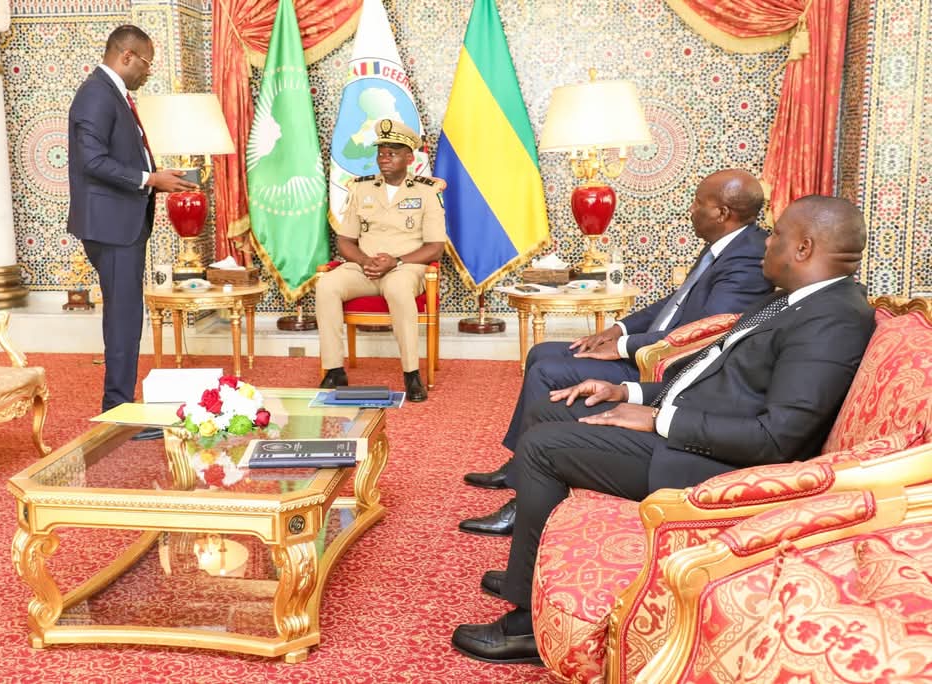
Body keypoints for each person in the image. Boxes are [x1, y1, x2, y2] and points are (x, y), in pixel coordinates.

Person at [450, 195, 876, 665]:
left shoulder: (832, 319)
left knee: (541, 447)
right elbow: (714, 381)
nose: (765, 243)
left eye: (775, 234)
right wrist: (627, 393)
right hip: (696, 433)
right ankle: (528, 574)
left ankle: (528, 628)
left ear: (804, 247)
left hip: (718, 467)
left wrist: (659, 419)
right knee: (552, 410)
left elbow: (776, 437)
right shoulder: (793, 301)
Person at [460, 169, 774, 534]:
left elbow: (703, 331)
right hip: (651, 346)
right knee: (541, 352)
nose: (690, 210)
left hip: (664, 365)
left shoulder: (747, 257)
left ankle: (525, 501)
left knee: (548, 371)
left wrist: (624, 347)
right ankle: (520, 467)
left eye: (698, 203)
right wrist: (619, 329)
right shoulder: (726, 245)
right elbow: (675, 303)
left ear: (722, 213)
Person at [67, 24, 197, 436]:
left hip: (121, 221)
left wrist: (155, 176)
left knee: (126, 316)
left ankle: (121, 405)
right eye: (146, 63)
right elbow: (92, 161)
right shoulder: (96, 94)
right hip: (111, 225)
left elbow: (116, 156)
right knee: (123, 320)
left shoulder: (113, 93)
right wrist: (150, 179)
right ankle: (119, 412)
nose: (148, 71)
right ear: (126, 56)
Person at [315, 119, 446, 403]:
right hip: (364, 268)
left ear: (409, 159)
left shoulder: (426, 192)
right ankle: (334, 370)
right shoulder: (361, 189)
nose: (384, 158)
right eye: (381, 153)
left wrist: (395, 261)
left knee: (398, 288)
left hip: (405, 268)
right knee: (326, 285)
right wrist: (364, 261)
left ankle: (412, 374)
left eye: (393, 153)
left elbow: (436, 247)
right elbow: (345, 240)